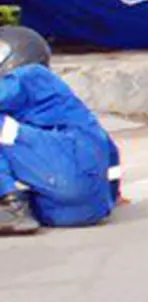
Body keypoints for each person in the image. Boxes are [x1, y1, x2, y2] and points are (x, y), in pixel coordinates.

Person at [1, 26, 121, 236]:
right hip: (82, 210)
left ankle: (12, 205)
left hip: (65, 183)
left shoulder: (31, 76)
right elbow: (109, 149)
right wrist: (111, 194)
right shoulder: (69, 111)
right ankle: (16, 204)